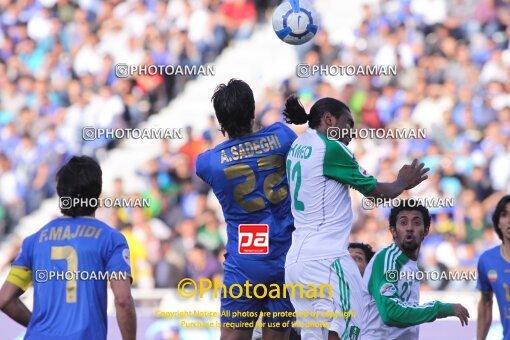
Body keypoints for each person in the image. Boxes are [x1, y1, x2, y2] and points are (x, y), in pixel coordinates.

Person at [283, 95, 429, 340]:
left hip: (296, 262)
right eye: (348, 124)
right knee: (350, 328)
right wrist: (403, 182)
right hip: (327, 258)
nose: (351, 133)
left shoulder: (298, 146)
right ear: (329, 119)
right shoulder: (331, 148)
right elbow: (378, 193)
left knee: (313, 333)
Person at [196, 79, 297, 340]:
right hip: (284, 259)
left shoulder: (209, 163)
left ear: (220, 123)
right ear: (253, 112)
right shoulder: (283, 137)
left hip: (245, 263)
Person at [0, 156, 136, 340]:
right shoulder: (111, 239)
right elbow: (123, 300)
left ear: (60, 193)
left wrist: (40, 327)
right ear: (97, 193)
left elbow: (5, 299)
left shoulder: (33, 241)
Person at [362, 199, 470, 339]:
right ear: (393, 230)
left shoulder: (413, 266)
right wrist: (440, 309)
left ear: (426, 231)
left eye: (417, 223)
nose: (410, 228)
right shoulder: (387, 259)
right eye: (403, 222)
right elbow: (390, 312)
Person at [477, 195, 510, 340]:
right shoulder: (487, 260)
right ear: (498, 222)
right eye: (504, 215)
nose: (509, 220)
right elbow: (486, 302)